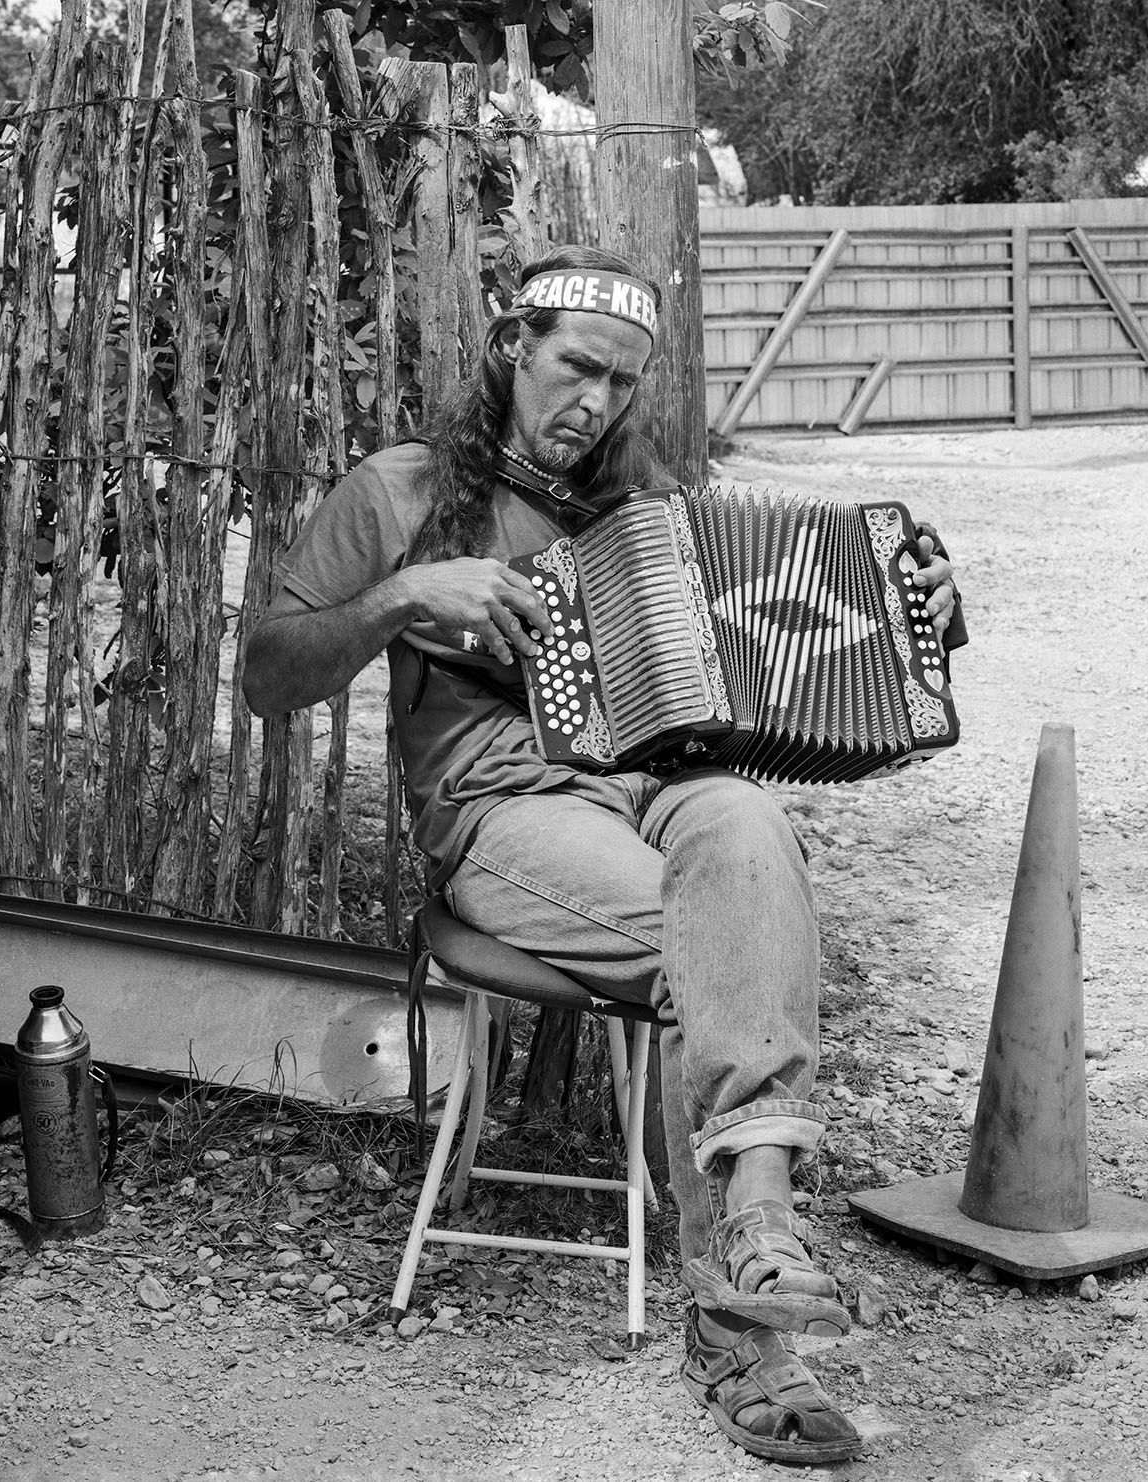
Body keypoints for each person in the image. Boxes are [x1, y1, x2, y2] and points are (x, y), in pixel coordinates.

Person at [243, 243, 963, 1467]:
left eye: (623, 383)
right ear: (509, 349)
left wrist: (912, 613)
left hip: (660, 786)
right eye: (577, 369)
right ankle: (749, 1335)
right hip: (505, 812)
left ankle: (754, 1227)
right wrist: (402, 599)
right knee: (716, 945)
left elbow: (769, 634)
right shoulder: (406, 489)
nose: (597, 405)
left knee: (747, 822)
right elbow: (267, 674)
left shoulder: (653, 504)